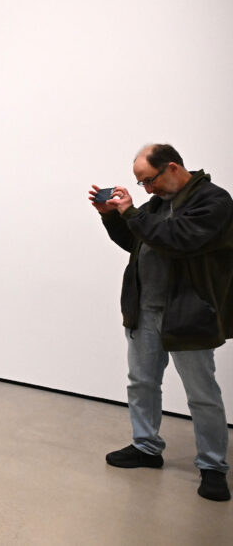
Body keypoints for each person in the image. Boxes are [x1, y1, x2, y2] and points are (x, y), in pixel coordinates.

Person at [90, 143, 233, 502]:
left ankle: (213, 466)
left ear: (172, 167)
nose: (147, 190)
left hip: (188, 313)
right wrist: (112, 216)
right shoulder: (156, 205)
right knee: (142, 383)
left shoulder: (213, 201)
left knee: (202, 395)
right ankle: (146, 447)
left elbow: (177, 239)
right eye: (142, 184)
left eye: (149, 181)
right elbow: (137, 241)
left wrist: (132, 212)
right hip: (145, 310)